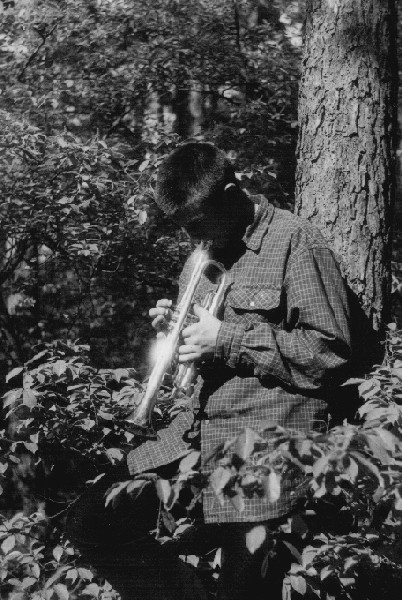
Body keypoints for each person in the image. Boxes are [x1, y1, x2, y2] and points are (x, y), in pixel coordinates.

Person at [66, 142, 352, 600]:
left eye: (196, 223)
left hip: (265, 441)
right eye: (183, 226)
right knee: (91, 520)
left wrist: (226, 338)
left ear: (231, 195)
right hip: (195, 431)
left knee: (245, 590)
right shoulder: (203, 255)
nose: (191, 236)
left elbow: (329, 354)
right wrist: (179, 332)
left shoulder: (296, 241)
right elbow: (200, 352)